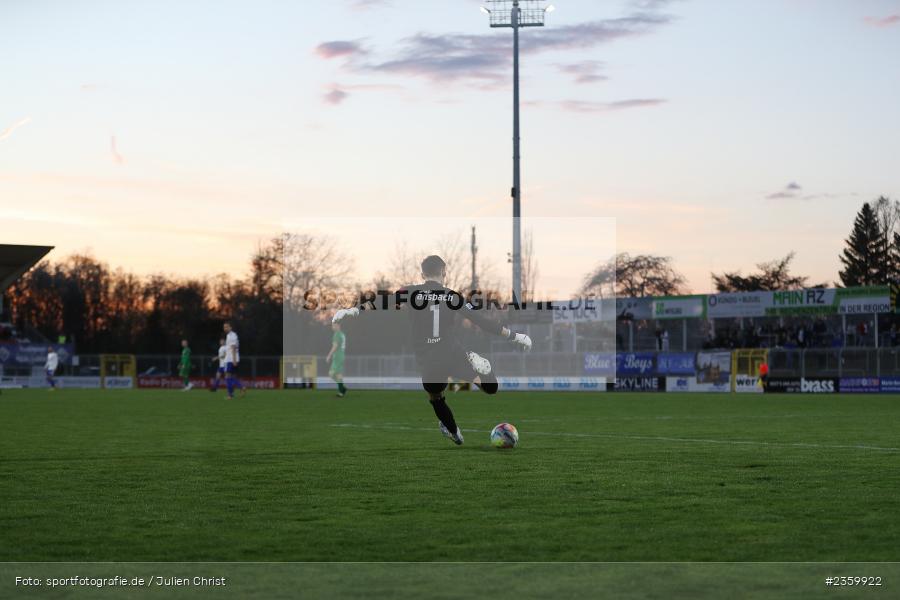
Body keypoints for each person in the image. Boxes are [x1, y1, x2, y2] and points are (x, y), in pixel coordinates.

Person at [332, 255, 532, 446]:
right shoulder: (452, 296)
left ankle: (454, 433)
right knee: (490, 388)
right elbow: (481, 321)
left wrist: (355, 309)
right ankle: (485, 370)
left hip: (429, 360)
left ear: (422, 275)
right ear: (444, 272)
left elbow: (385, 300)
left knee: (436, 398)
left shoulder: (410, 292)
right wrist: (514, 336)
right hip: (453, 352)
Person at [223, 322, 246, 399]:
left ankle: (231, 394)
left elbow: (233, 348)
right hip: (231, 358)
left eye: (227, 327)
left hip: (230, 359)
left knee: (227, 376)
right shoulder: (229, 335)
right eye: (224, 327)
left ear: (230, 327)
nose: (225, 328)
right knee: (231, 376)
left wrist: (234, 360)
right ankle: (236, 390)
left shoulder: (232, 336)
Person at [326, 322, 348, 397]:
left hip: (338, 356)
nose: (332, 327)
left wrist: (329, 355)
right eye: (332, 325)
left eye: (334, 325)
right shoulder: (342, 334)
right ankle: (342, 390)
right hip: (341, 356)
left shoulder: (337, 334)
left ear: (338, 325)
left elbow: (335, 346)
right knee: (338, 374)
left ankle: (342, 389)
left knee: (331, 374)